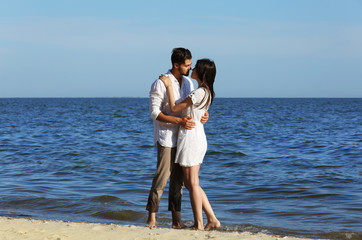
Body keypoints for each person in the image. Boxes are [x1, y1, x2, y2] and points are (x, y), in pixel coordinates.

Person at [146, 48, 209, 229]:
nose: (190, 68)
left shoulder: (188, 83)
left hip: (184, 139)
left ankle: (176, 220)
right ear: (176, 65)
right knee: (161, 178)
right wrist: (178, 121)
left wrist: (205, 116)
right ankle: (151, 219)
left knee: (178, 183)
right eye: (187, 65)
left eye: (190, 65)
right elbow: (154, 112)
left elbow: (194, 106)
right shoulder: (160, 83)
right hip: (166, 138)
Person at [159, 58, 220, 231]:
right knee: (192, 183)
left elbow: (173, 107)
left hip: (191, 138)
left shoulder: (199, 92)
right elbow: (200, 113)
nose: (191, 69)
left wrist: (169, 86)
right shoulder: (207, 92)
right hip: (198, 136)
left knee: (192, 183)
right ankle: (212, 218)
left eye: (195, 67)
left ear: (201, 73)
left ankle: (199, 223)